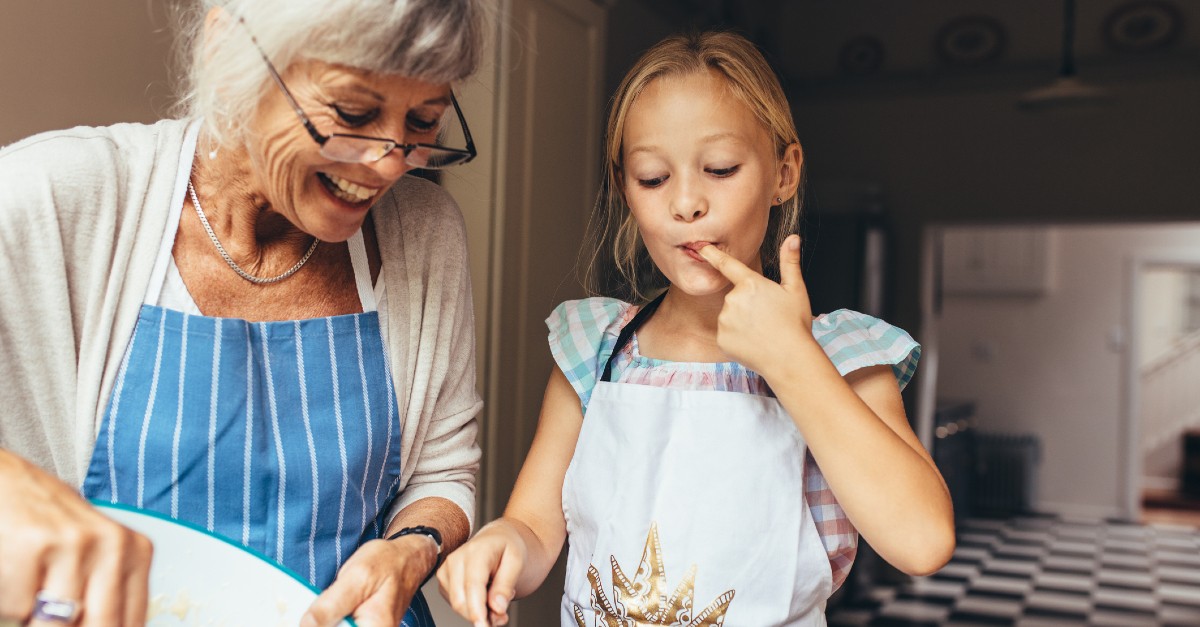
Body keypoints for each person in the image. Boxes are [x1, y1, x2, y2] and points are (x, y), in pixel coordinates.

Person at [437, 31, 956, 626]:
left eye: (719, 168)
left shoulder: (842, 356)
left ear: (783, 173)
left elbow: (922, 543)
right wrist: (502, 545)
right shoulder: (594, 348)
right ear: (625, 191)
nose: (685, 203)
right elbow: (533, 527)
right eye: (653, 177)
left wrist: (793, 359)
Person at [0, 1, 487, 626]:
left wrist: (410, 548)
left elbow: (444, 469)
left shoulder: (426, 233)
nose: (391, 162)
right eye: (355, 113)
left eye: (423, 122)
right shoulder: (58, 197)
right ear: (229, 53)